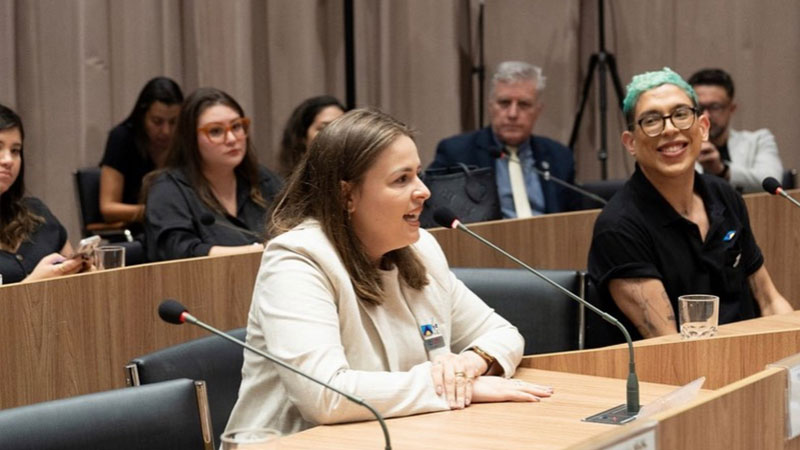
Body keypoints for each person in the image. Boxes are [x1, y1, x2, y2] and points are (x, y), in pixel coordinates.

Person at [225, 109, 552, 436]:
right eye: (402, 179)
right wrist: (452, 388)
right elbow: (324, 394)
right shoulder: (297, 260)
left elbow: (502, 333)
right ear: (347, 195)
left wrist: (469, 366)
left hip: (398, 435)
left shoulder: (420, 248)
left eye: (418, 174)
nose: (424, 191)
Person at [587, 68, 792, 344]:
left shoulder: (724, 195)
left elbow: (769, 301)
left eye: (681, 114)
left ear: (703, 127)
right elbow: (670, 345)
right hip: (677, 376)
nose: (670, 129)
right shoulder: (619, 227)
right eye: (651, 120)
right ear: (631, 142)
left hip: (750, 358)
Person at [143, 88, 282, 262]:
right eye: (216, 131)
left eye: (237, 126)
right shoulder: (167, 189)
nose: (231, 139)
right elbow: (179, 252)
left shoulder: (262, 179)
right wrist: (258, 250)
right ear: (191, 139)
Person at [430, 61, 576, 217]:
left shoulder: (559, 156)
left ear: (538, 110)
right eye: (504, 103)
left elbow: (576, 220)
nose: (512, 114)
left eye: (524, 104)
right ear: (490, 106)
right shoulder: (456, 152)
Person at [0, 104, 86, 283]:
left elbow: (72, 283)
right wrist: (31, 286)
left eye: (15, 150)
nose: (8, 160)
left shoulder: (37, 214)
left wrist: (85, 274)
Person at [99, 77, 184, 228]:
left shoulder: (185, 139)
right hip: (136, 231)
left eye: (173, 122)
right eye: (157, 122)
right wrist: (156, 212)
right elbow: (108, 208)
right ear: (142, 116)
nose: (166, 131)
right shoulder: (122, 138)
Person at [687, 68, 783, 193]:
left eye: (715, 107)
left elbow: (773, 182)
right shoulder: (680, 147)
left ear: (731, 109)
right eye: (699, 108)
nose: (706, 116)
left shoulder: (758, 140)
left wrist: (722, 170)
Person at [278, 95, 345, 177]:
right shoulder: (278, 184)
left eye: (341, 127)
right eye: (324, 128)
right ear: (302, 136)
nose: (335, 133)